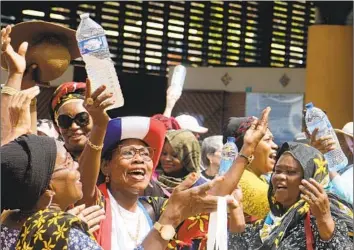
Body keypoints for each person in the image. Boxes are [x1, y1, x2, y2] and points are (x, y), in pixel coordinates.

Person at [228, 142, 353, 249]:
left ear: (311, 178)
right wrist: (236, 208)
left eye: (291, 172)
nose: (280, 177)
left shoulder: (319, 218)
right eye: (277, 171)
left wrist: (324, 219)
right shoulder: (271, 221)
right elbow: (239, 246)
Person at [1, 134, 102, 249]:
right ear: (47, 190)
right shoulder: (70, 239)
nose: (77, 164)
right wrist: (67, 233)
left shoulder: (5, 226)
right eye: (68, 163)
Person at [1, 22, 80, 139]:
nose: (74, 126)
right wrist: (15, 73)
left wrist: (17, 74)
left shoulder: (48, 131)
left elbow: (30, 145)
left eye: (82, 119)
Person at [222, 116, 278, 222]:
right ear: (249, 148)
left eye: (273, 140)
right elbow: (288, 209)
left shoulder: (258, 178)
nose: (275, 145)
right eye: (267, 140)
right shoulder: (242, 182)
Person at [156, 129, 206, 194]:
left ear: (188, 157)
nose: (167, 159)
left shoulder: (200, 187)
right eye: (164, 153)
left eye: (175, 155)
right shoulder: (152, 180)